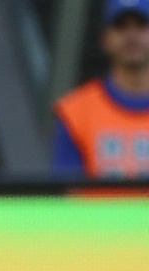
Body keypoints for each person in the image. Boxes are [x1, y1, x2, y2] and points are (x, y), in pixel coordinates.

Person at [52, 0, 149, 179]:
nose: (132, 35)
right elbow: (64, 195)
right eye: (121, 26)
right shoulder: (76, 111)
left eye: (141, 25)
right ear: (104, 39)